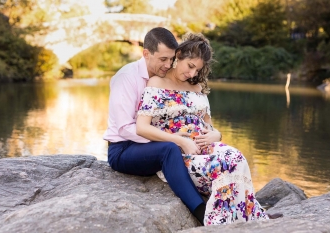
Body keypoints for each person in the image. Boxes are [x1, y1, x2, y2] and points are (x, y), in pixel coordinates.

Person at [136, 32, 274, 225]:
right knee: (223, 167)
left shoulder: (197, 87)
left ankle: (249, 217)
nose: (192, 74)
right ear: (180, 54)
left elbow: (210, 126)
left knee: (238, 158)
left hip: (206, 146)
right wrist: (181, 141)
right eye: (190, 66)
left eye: (197, 70)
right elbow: (142, 128)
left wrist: (216, 135)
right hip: (180, 154)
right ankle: (217, 224)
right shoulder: (157, 83)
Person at [103, 27, 207, 225]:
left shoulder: (165, 80)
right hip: (123, 149)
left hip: (150, 145)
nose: (168, 65)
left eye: (171, 59)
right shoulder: (127, 78)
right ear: (146, 54)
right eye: (163, 59)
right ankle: (201, 212)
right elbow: (125, 128)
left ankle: (243, 208)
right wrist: (173, 139)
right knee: (169, 150)